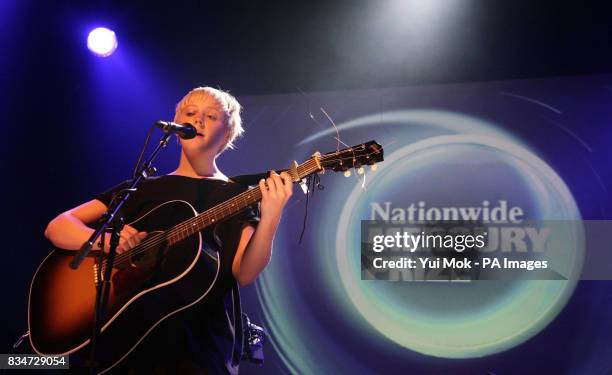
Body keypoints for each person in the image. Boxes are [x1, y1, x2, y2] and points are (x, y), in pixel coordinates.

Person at [44, 86, 293, 374]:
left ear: (226, 135)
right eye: (190, 114)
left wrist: (272, 215)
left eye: (210, 116)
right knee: (24, 365)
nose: (198, 120)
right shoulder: (142, 188)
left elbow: (245, 272)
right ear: (176, 130)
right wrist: (105, 240)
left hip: (199, 350)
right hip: (125, 343)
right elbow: (58, 226)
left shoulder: (234, 195)